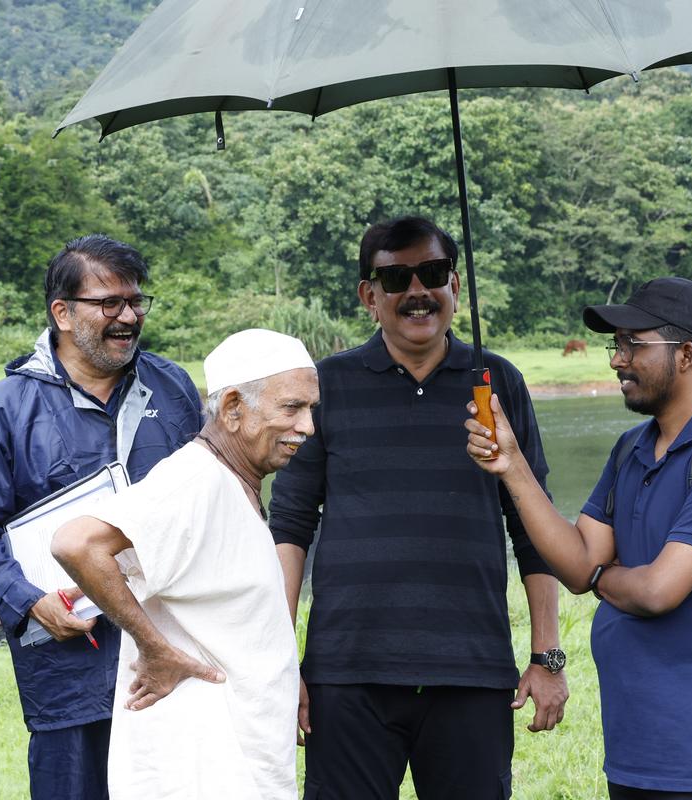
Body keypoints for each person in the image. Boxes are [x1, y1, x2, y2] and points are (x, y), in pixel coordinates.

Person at [269, 216, 568, 800]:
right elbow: (290, 529)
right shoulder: (326, 386)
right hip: (348, 673)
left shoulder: (497, 382)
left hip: (472, 674)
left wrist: (547, 656)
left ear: (455, 285)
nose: (416, 292)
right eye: (396, 278)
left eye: (432, 274)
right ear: (369, 296)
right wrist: (282, 666)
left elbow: (533, 531)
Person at [465, 277, 692, 800]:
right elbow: (577, 561)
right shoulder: (632, 448)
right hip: (635, 747)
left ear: (686, 356)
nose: (617, 359)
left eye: (634, 344)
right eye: (618, 344)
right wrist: (513, 466)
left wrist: (600, 577)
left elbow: (657, 591)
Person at [0, 234, 204, 799]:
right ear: (62, 312)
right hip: (70, 659)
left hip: (172, 640)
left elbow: (208, 503)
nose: (128, 317)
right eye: (109, 303)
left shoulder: (173, 387)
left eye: (136, 302)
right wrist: (29, 602)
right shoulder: (7, 407)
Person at [52, 328, 319, 800]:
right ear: (234, 406)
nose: (307, 427)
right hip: (202, 765)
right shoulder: (194, 482)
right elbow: (77, 544)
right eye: (292, 408)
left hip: (237, 756)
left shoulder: (232, 481)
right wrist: (153, 648)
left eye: (310, 410)